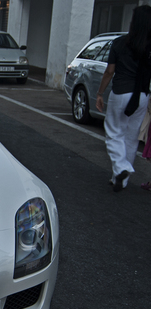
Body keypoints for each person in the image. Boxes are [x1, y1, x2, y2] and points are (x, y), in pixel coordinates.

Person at [96, 5, 151, 192]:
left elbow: (109, 71)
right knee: (131, 137)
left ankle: (122, 168)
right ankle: (119, 179)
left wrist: (100, 93)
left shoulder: (120, 43)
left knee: (113, 133)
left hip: (121, 92)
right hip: (142, 96)